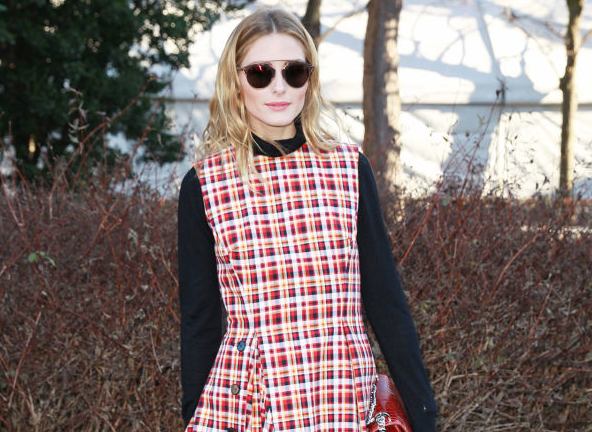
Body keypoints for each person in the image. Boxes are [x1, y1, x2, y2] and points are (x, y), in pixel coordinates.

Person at [177, 6, 437, 432]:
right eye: (260, 73)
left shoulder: (348, 169)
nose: (279, 87)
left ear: (309, 80)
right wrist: (193, 414)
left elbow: (385, 300)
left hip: (342, 394)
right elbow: (199, 320)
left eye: (294, 71)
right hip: (249, 401)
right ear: (235, 81)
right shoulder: (205, 185)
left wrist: (424, 415)